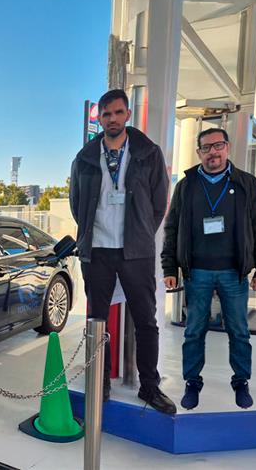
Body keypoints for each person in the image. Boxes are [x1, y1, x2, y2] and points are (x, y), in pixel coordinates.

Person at [70, 89, 176, 414]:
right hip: (97, 252)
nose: (112, 119)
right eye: (106, 114)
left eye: (118, 112)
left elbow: (160, 203)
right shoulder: (85, 158)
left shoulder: (148, 153)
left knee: (146, 320)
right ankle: (100, 384)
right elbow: (77, 204)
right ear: (99, 119)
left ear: (127, 114)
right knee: (96, 322)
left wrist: (142, 232)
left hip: (136, 251)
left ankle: (149, 387)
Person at [161, 127, 256, 410]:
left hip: (233, 273)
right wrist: (169, 266)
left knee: (238, 331)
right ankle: (192, 382)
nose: (213, 152)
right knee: (193, 331)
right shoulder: (186, 186)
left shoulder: (247, 183)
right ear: (199, 152)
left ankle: (241, 382)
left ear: (227, 147)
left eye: (218, 145)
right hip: (196, 272)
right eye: (207, 147)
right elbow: (171, 228)